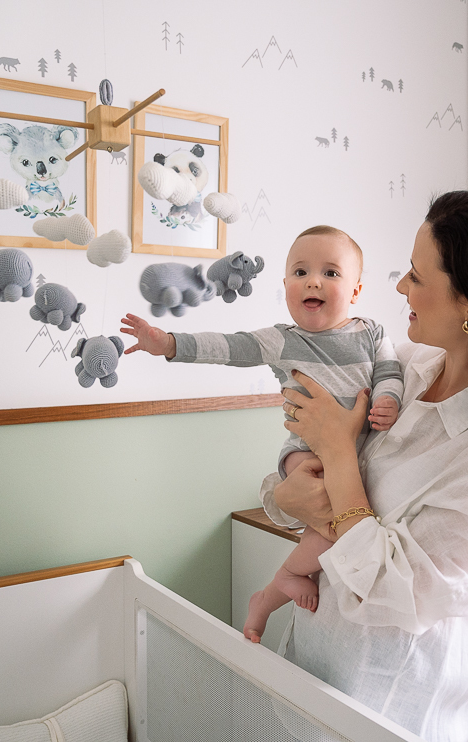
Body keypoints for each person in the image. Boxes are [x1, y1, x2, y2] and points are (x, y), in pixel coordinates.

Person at [268, 191, 468, 742]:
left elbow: (395, 591)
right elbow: (300, 480)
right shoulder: (407, 371)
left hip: (387, 703)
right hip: (311, 667)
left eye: (416, 277)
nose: (399, 288)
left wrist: (340, 454)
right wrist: (283, 499)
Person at [119, 225, 405, 643]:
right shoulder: (282, 340)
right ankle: (285, 580)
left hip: (355, 456)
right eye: (301, 271)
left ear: (356, 291)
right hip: (304, 453)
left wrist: (389, 399)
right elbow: (229, 347)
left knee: (337, 531)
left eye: (330, 273)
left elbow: (390, 370)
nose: (313, 280)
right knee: (328, 510)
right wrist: (169, 344)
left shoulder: (372, 333)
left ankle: (277, 587)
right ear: (286, 285)